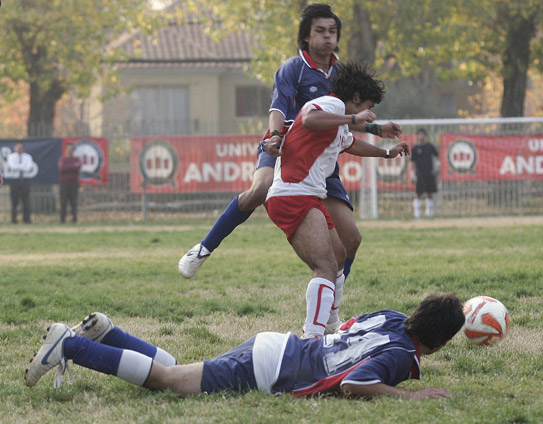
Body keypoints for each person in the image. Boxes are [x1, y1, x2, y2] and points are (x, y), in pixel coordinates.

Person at [179, 4, 362, 284]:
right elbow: (278, 107)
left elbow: (351, 115)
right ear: (306, 36)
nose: (327, 36)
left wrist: (375, 130)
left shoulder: (341, 75)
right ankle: (204, 248)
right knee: (260, 189)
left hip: (319, 159)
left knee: (351, 238)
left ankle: (334, 301)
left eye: (332, 31)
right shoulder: (293, 68)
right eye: (320, 31)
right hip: (283, 144)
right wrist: (275, 135)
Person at [25, 293, 465, 399]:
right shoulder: (401, 357)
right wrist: (412, 395)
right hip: (270, 369)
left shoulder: (391, 317)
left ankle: (108, 334)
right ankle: (71, 346)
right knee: (167, 381)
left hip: (278, 345)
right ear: (441, 341)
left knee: (180, 369)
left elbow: (346, 327)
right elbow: (355, 384)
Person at [264, 61, 408, 338]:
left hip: (306, 194)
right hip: (293, 194)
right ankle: (312, 339)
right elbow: (309, 119)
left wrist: (387, 153)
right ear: (356, 98)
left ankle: (331, 324)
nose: (368, 113)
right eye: (368, 106)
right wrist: (353, 118)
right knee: (326, 266)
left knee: (339, 255)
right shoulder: (332, 105)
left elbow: (351, 144)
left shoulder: (339, 119)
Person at [410, 128, 439, 218]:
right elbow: (412, 161)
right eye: (420, 134)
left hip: (429, 173)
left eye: (423, 134)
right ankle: (417, 213)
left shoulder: (430, 147)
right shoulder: (415, 148)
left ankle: (429, 212)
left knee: (430, 193)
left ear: (425, 136)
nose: (421, 136)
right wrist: (412, 172)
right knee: (418, 193)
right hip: (420, 174)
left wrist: (437, 165)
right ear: (417, 136)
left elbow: (437, 155)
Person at [7, 142, 34, 224]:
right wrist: (23, 166)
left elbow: (29, 167)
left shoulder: (28, 157)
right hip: (14, 180)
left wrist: (18, 167)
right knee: (14, 200)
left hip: (25, 180)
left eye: (21, 147)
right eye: (18, 147)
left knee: (26, 200)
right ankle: (14, 219)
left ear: (23, 149)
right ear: (14, 148)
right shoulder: (11, 157)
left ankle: (26, 219)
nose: (19, 149)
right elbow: (12, 166)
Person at [58, 143, 82, 223]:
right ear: (66, 150)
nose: (70, 151)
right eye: (68, 149)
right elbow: (62, 168)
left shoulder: (76, 159)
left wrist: (68, 166)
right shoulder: (62, 159)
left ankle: (74, 219)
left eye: (71, 149)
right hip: (64, 184)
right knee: (63, 202)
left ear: (73, 150)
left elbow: (78, 167)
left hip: (74, 184)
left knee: (74, 202)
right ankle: (62, 220)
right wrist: (72, 167)